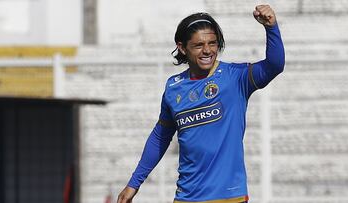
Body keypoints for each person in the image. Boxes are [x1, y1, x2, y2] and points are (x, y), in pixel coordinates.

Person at [117, 4, 284, 203]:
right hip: (187, 197)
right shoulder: (173, 88)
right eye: (198, 45)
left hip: (229, 196)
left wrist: (271, 27)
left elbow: (274, 65)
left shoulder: (235, 78)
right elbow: (160, 137)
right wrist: (134, 183)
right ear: (182, 47)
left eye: (212, 43)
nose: (207, 50)